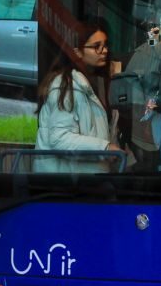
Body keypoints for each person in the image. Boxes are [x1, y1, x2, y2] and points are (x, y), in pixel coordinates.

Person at [36, 18, 122, 173]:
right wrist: (105, 148)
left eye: (105, 45)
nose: (104, 51)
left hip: (86, 180)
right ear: (77, 52)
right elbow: (60, 139)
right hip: (65, 186)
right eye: (97, 46)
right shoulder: (66, 85)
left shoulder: (96, 83)